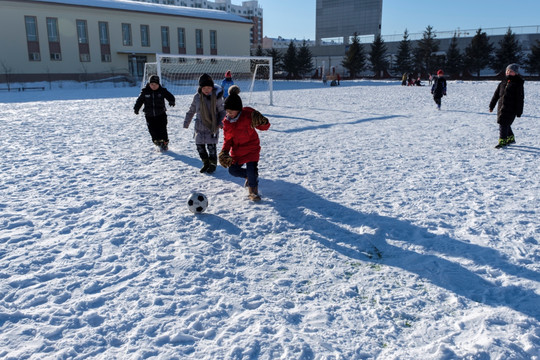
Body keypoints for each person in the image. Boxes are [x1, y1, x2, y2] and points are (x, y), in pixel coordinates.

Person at [218, 85, 271, 201]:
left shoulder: (248, 115)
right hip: (238, 151)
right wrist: (225, 151)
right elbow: (228, 140)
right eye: (227, 111)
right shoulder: (227, 123)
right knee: (232, 170)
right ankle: (249, 176)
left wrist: (263, 121)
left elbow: (265, 127)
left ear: (239, 109)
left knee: (252, 169)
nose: (229, 114)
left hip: (252, 148)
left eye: (231, 111)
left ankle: (253, 191)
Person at [184, 73, 226, 173]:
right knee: (200, 147)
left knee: (211, 148)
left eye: (209, 87)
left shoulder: (216, 98)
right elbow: (191, 110)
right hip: (199, 126)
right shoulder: (197, 97)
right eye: (204, 88)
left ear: (212, 87)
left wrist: (221, 122)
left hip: (212, 126)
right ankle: (206, 163)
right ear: (200, 88)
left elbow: (222, 111)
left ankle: (212, 164)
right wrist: (186, 122)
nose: (207, 90)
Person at [134, 75, 176, 151]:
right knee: (152, 130)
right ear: (149, 84)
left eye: (155, 84)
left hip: (161, 114)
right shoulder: (145, 91)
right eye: (152, 84)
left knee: (162, 129)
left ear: (158, 84)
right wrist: (136, 108)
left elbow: (170, 96)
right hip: (149, 115)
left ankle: (164, 143)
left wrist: (171, 101)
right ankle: (157, 142)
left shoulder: (162, 91)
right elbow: (139, 101)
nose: (153, 86)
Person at [489, 63, 524, 148]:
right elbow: (496, 95)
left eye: (511, 71)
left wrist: (519, 111)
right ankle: (510, 138)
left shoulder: (517, 84)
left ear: (515, 73)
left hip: (511, 108)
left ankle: (503, 141)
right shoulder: (503, 82)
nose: (508, 72)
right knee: (505, 123)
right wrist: (491, 105)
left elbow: (520, 99)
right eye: (507, 70)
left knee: (503, 123)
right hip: (501, 107)